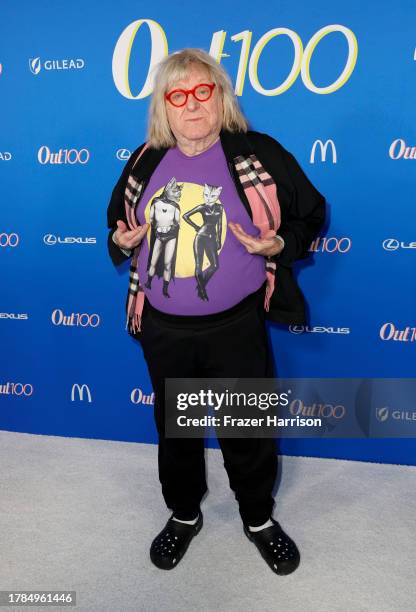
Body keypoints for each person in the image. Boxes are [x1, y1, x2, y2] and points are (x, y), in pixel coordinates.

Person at [107, 48, 326, 575]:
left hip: (235, 327)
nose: (192, 105)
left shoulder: (259, 154)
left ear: (220, 96)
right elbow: (117, 223)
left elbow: (310, 215)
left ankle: (257, 518)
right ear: (164, 107)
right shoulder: (144, 161)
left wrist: (279, 246)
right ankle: (183, 515)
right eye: (177, 96)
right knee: (177, 430)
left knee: (244, 428)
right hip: (164, 327)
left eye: (203, 91)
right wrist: (123, 237)